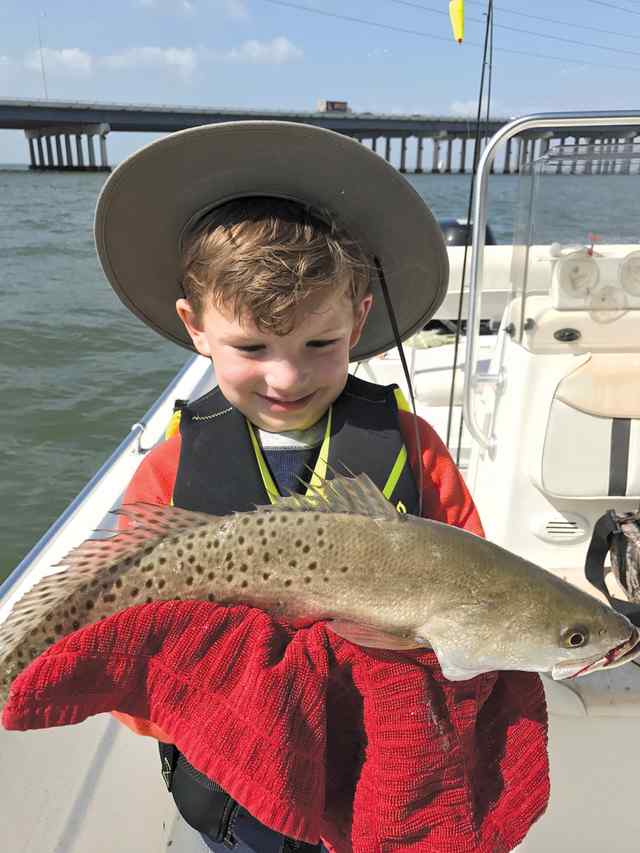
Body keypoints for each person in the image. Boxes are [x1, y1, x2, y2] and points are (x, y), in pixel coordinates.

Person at [92, 121, 549, 852]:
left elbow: (481, 597)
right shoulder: (169, 471)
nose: (287, 375)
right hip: (242, 796)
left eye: (318, 344)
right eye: (251, 346)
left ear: (358, 321)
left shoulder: (416, 454)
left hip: (384, 772)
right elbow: (132, 665)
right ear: (194, 327)